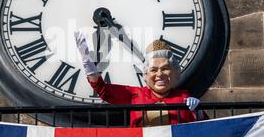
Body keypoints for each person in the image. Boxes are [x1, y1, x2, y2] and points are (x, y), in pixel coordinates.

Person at [75, 32, 208, 127]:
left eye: (165, 68)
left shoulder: (184, 97)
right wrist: (87, 62)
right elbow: (103, 90)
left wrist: (199, 112)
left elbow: (205, 130)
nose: (159, 74)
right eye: (153, 70)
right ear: (145, 74)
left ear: (175, 73)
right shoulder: (135, 94)